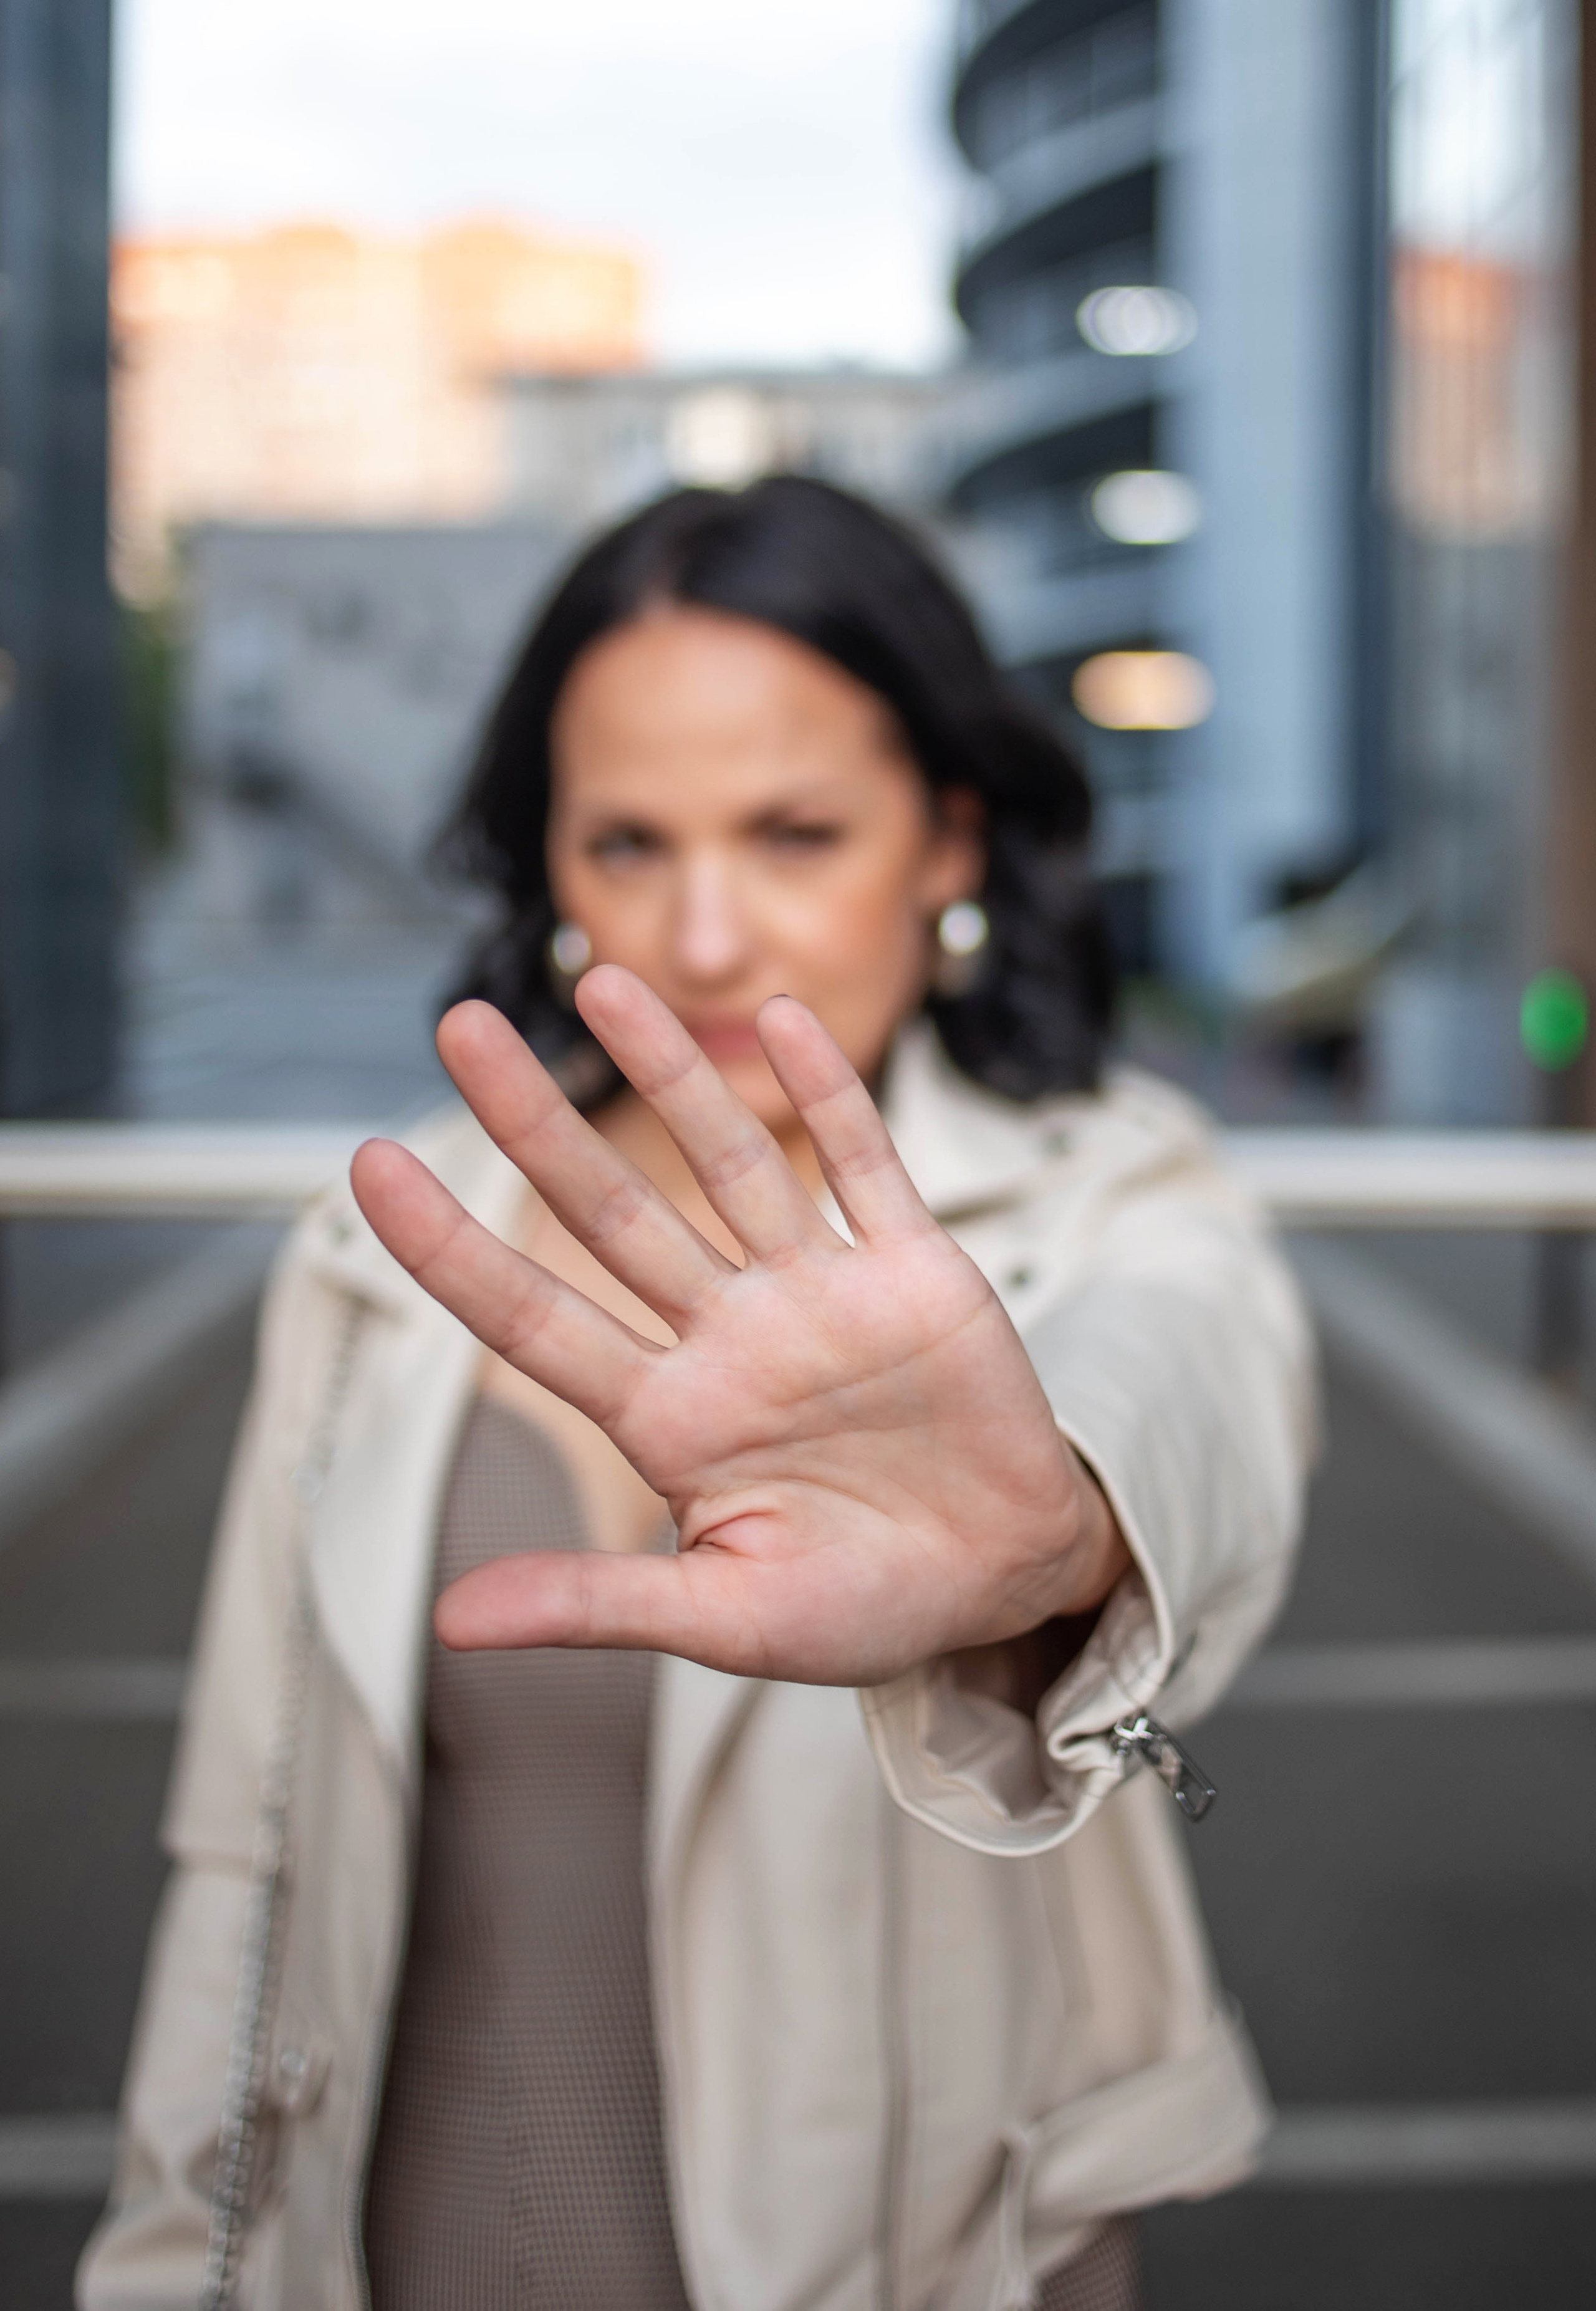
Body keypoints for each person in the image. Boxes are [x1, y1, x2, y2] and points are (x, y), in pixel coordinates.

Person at [79, 478, 1315, 2311]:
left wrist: (1059, 1526)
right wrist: (170, 2263)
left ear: (949, 840)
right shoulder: (385, 1245)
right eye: (631, 843)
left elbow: (1195, 1386)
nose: (711, 930)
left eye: (796, 830)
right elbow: (242, 1852)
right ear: (550, 869)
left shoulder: (1110, 1198)